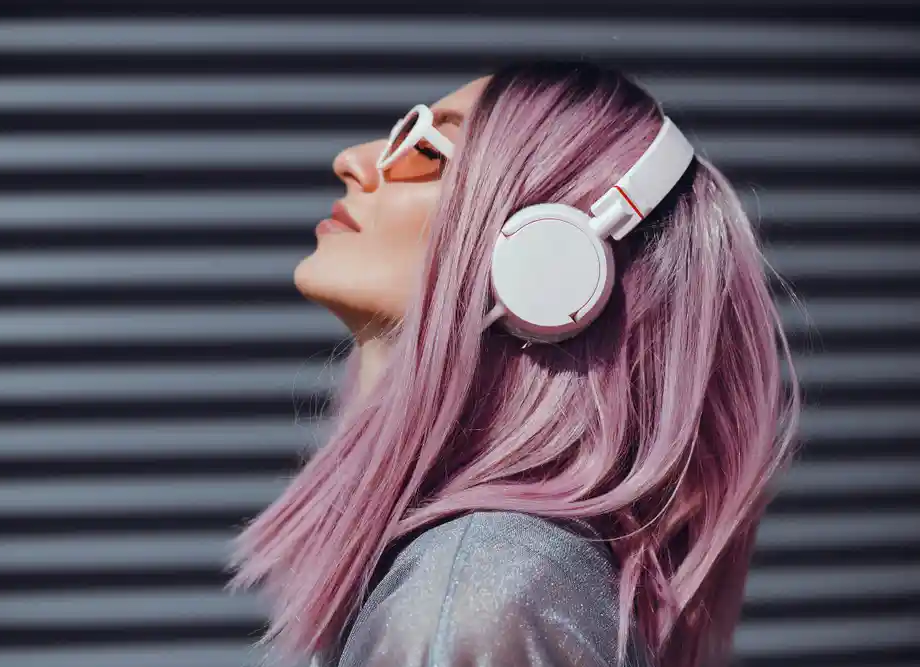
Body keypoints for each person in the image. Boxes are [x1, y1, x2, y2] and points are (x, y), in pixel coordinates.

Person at [227, 60, 801, 667]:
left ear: (548, 259)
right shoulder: (498, 578)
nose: (354, 159)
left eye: (428, 149)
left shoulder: (478, 598)